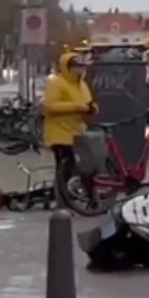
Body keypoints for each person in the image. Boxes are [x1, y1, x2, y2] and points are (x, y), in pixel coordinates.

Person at [42, 49, 97, 191]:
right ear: (67, 67)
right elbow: (50, 106)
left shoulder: (82, 85)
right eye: (75, 66)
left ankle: (73, 194)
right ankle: (62, 197)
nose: (78, 69)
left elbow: (88, 102)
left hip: (77, 131)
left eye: (80, 66)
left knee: (82, 165)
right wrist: (76, 107)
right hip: (59, 132)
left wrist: (92, 108)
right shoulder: (56, 83)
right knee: (66, 166)